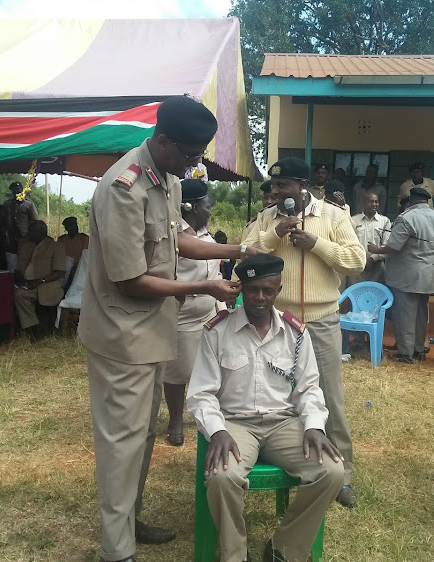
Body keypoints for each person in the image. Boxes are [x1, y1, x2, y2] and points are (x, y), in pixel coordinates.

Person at [77, 95, 258, 562]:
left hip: (152, 331)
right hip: (123, 334)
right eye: (192, 154)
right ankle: (116, 551)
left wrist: (236, 252)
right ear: (162, 141)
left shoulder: (167, 178)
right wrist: (202, 290)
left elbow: (176, 239)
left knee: (141, 435)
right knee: (122, 439)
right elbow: (130, 280)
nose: (195, 164)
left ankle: (128, 520)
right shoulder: (125, 187)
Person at [187, 253, 344, 562]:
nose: (259, 297)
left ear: (278, 289)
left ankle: (284, 548)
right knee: (222, 477)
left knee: (332, 471)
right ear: (241, 288)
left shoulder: (296, 333)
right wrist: (217, 431)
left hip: (284, 423)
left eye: (268, 290)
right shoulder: (217, 331)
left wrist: (314, 424)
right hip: (235, 425)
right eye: (252, 289)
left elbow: (309, 387)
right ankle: (234, 555)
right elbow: (201, 393)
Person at [241, 156, 365, 508]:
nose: (276, 192)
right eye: (274, 186)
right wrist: (274, 235)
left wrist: (317, 245)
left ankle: (340, 474)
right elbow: (245, 261)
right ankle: (293, 460)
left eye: (283, 186)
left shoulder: (333, 216)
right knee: (276, 393)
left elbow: (357, 260)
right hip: (275, 321)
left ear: (303, 187)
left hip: (322, 320)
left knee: (329, 396)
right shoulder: (266, 219)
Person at [162, 179, 222, 447]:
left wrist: (222, 307)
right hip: (183, 314)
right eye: (207, 205)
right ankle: (175, 419)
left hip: (210, 313)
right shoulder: (175, 235)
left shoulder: (206, 235)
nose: (210, 210)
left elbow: (215, 273)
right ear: (192, 207)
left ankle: (208, 417)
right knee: (178, 371)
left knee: (211, 370)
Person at [368, 187, 434, 363]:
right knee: (421, 313)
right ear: (427, 201)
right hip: (430, 273)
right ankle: (419, 349)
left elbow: (393, 247)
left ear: (411, 200)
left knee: (405, 313)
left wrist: (376, 249)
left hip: (407, 274)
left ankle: (405, 353)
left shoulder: (406, 218)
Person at [13, 220, 66, 336]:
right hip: (27, 285)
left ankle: (37, 329)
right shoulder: (26, 246)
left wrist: (39, 281)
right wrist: (19, 279)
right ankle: (34, 327)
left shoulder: (56, 247)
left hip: (47, 285)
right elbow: (18, 268)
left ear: (41, 232)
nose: (28, 233)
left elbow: (60, 272)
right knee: (17, 294)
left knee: (22, 295)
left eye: (31, 231)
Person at [349, 190, 391, 285]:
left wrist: (372, 259)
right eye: (370, 201)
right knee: (356, 295)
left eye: (376, 202)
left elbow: (387, 245)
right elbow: (349, 242)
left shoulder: (385, 221)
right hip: (357, 266)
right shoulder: (353, 220)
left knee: (377, 296)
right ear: (363, 203)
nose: (374, 204)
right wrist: (362, 259)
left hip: (377, 267)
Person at [4, 181, 39, 251]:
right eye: (14, 189)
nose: (16, 191)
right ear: (12, 191)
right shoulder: (7, 204)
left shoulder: (29, 205)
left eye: (18, 189)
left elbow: (35, 221)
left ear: (22, 190)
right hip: (11, 236)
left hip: (24, 236)